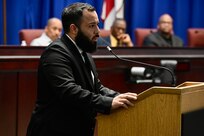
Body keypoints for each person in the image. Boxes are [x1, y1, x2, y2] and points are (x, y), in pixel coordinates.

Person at [26, 2, 137, 136]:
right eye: (91, 26)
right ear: (74, 29)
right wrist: (107, 103)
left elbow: (96, 87)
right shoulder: (56, 52)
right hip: (54, 130)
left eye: (97, 24)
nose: (98, 31)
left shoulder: (83, 51)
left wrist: (118, 97)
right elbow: (69, 91)